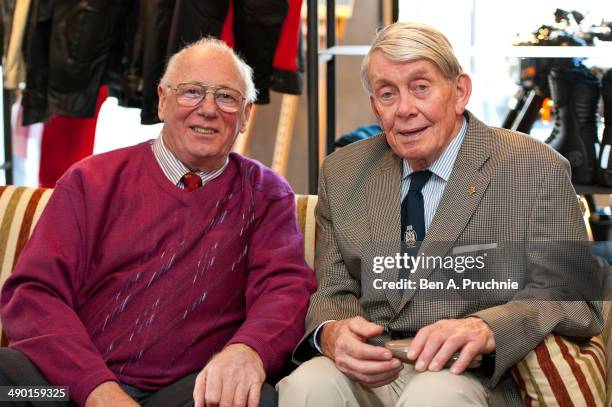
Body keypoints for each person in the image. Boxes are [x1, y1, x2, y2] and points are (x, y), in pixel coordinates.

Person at [277, 22, 602, 406]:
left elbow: (576, 297)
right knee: (305, 385)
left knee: (434, 396)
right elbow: (335, 288)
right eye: (387, 94)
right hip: (376, 363)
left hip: (474, 372)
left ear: (459, 90)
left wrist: (486, 327)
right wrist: (331, 332)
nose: (405, 109)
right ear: (375, 107)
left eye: (420, 87)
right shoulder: (342, 171)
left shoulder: (534, 166)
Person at [0, 37, 317, 407]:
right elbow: (35, 294)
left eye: (227, 97)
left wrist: (248, 350)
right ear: (162, 100)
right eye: (192, 92)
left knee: (253, 400)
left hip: (190, 394)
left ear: (246, 114)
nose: (208, 109)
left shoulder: (265, 194)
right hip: (70, 390)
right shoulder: (90, 181)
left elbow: (285, 289)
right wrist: (98, 391)